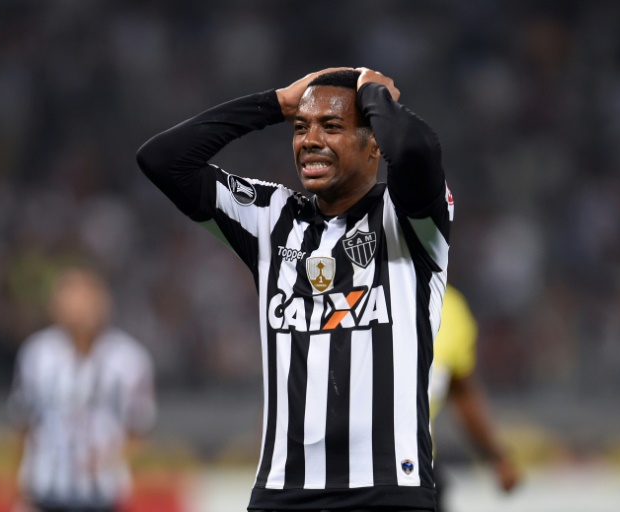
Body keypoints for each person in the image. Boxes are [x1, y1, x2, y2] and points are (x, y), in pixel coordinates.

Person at [137, 66, 452, 512]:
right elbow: (162, 159)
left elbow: (416, 149)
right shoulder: (270, 216)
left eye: (332, 126)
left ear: (374, 144)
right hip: (283, 490)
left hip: (388, 490)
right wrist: (274, 104)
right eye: (301, 127)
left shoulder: (409, 219)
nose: (310, 140)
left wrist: (375, 95)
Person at [8, 267, 157, 512]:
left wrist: (109, 459)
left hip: (102, 498)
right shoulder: (37, 354)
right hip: (43, 495)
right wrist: (17, 486)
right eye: (67, 297)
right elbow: (22, 424)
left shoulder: (130, 359)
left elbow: (139, 428)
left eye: (83, 297)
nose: (76, 307)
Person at [429, 285, 520, 512]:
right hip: (350, 467)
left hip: (416, 463)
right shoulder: (355, 291)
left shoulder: (449, 306)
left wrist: (496, 457)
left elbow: (461, 391)